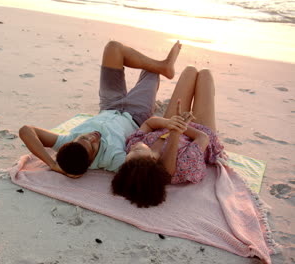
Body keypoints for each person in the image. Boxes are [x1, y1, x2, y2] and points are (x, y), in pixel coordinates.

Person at [19, 40, 182, 178]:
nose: (93, 137)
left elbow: (26, 130)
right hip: (136, 114)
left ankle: (164, 66)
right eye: (93, 145)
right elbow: (147, 171)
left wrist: (52, 164)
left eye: (84, 137)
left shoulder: (66, 143)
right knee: (151, 70)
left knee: (113, 48)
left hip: (109, 104)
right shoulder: (112, 159)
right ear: (91, 161)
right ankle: (163, 68)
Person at [111, 66, 227, 207]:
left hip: (171, 124)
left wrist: (171, 123)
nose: (133, 147)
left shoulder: (133, 149)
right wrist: (180, 128)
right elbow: (203, 138)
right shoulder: (183, 166)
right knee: (205, 75)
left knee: (189, 71)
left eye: (128, 156)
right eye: (137, 150)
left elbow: (149, 124)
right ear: (152, 159)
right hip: (200, 130)